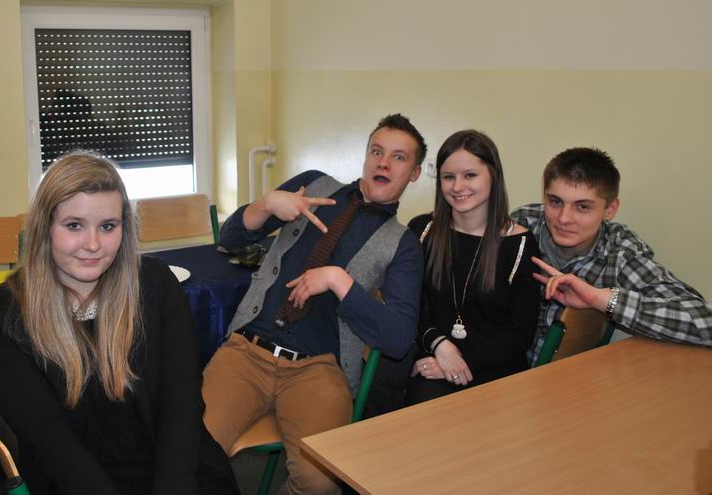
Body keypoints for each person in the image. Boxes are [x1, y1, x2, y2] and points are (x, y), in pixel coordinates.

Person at [0, 151, 237, 495]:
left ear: (125, 227)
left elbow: (181, 405)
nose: (93, 244)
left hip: (174, 469)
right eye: (74, 225)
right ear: (44, 228)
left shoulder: (156, 285)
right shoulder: (0, 317)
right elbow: (50, 440)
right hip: (73, 481)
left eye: (108, 226)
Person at [202, 114, 426, 495]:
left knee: (321, 482)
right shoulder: (313, 184)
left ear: (415, 173)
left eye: (399, 157)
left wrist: (340, 282)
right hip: (247, 354)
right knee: (192, 452)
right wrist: (265, 205)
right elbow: (229, 240)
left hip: (319, 370)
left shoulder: (403, 244)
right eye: (377, 152)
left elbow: (399, 338)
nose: (384, 163)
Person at [512, 147, 712, 364]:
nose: (564, 218)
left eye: (582, 206)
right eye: (555, 202)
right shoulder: (521, 225)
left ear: (610, 209)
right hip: (503, 369)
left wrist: (601, 299)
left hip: (563, 376)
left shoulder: (619, 254)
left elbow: (705, 322)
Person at [403, 130, 541, 406]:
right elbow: (409, 308)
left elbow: (519, 334)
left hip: (497, 370)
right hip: (434, 359)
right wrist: (439, 345)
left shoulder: (520, 244)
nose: (457, 186)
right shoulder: (422, 231)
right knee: (425, 412)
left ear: (493, 176)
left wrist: (460, 362)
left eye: (470, 175)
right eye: (448, 177)